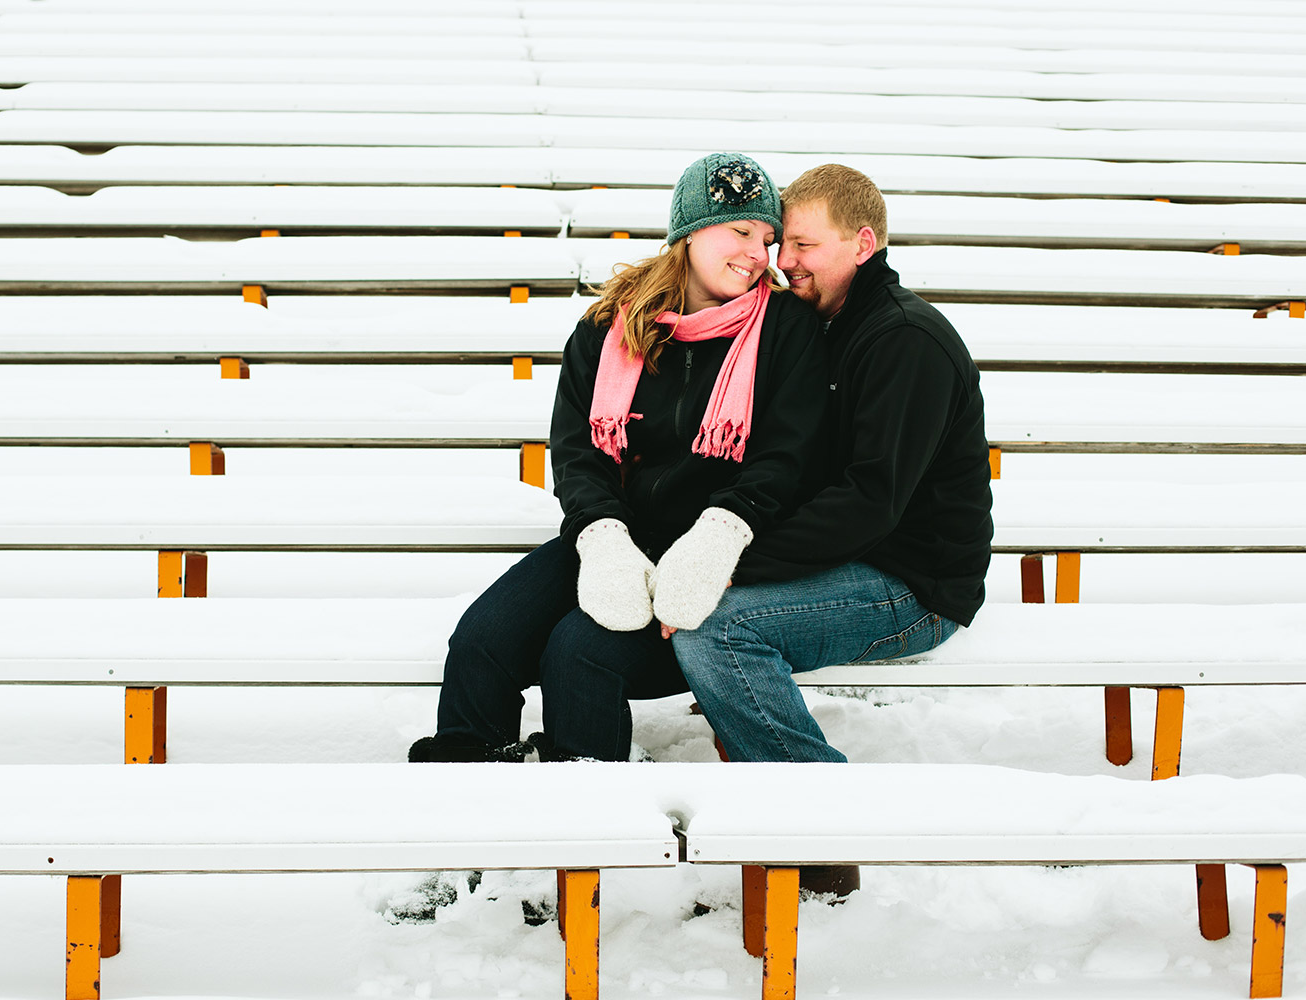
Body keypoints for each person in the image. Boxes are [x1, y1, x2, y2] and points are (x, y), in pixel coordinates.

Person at [409, 153, 827, 763]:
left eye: (766, 237)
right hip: (619, 535)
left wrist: (717, 541)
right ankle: (468, 811)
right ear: (689, 231)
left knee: (577, 654)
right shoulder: (611, 326)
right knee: (482, 641)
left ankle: (587, 828)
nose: (758, 254)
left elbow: (786, 455)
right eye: (740, 231)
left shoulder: (786, 328)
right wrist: (602, 537)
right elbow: (578, 451)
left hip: (716, 551)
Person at [671, 164, 994, 777]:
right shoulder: (825, 324)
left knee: (712, 628)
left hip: (913, 583)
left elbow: (869, 501)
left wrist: (733, 567)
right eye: (781, 243)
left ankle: (818, 816)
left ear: (863, 245)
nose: (782, 260)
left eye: (804, 245)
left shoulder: (905, 339)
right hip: (854, 557)